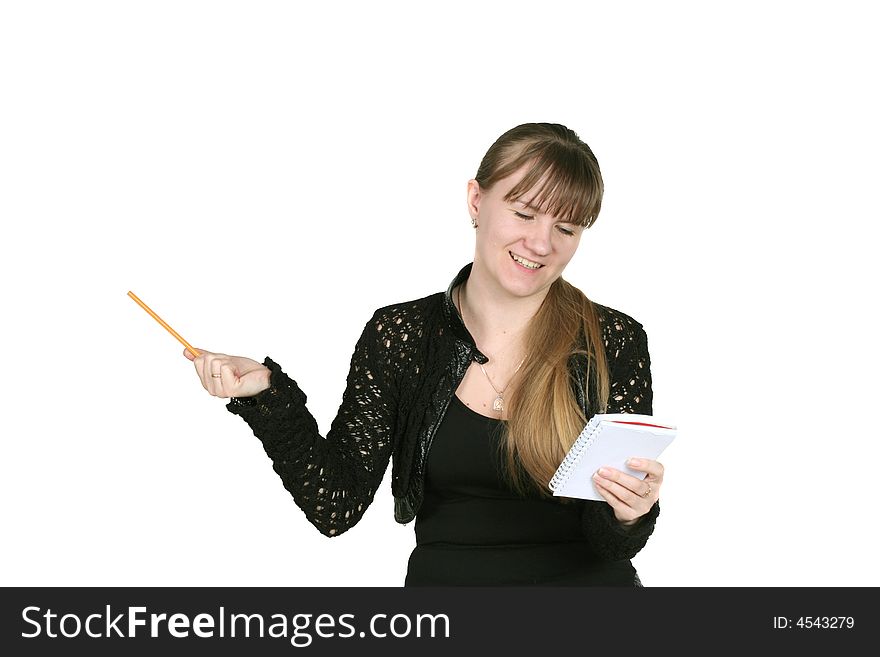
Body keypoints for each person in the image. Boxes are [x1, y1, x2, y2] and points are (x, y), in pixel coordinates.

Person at [184, 122, 665, 586]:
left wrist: (630, 513)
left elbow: (613, 544)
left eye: (566, 227)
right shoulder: (401, 336)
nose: (541, 243)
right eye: (524, 213)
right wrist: (267, 396)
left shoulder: (613, 340)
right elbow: (336, 504)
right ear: (477, 200)